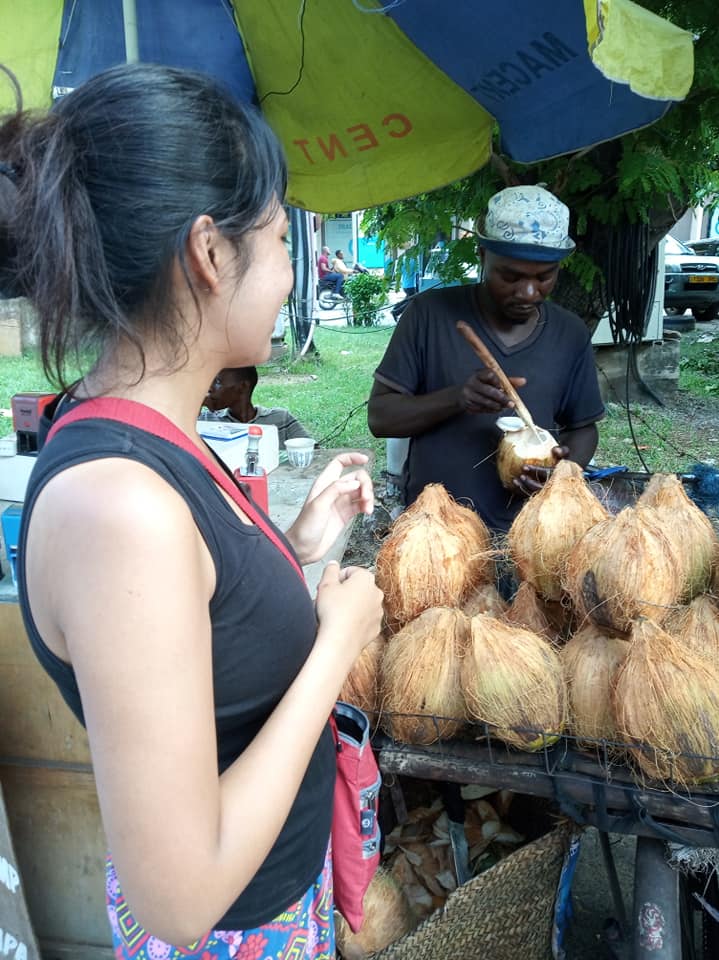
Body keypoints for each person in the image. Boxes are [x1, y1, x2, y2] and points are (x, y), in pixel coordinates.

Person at [3, 64, 383, 958]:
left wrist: (295, 546)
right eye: (284, 239)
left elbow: (199, 634)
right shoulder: (117, 507)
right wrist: (335, 645)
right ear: (210, 254)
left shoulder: (154, 435)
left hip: (275, 905)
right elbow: (178, 897)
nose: (294, 274)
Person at [368, 185, 605, 535]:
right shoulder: (428, 315)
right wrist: (457, 398)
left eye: (544, 277)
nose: (528, 292)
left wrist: (563, 474)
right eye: (510, 276)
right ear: (482, 256)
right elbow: (381, 418)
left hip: (531, 535)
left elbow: (583, 428)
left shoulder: (569, 334)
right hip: (436, 532)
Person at [204, 366, 312, 448]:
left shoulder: (280, 419)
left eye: (217, 382)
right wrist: (196, 406)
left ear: (243, 386)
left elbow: (313, 452)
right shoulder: (206, 420)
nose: (209, 389)